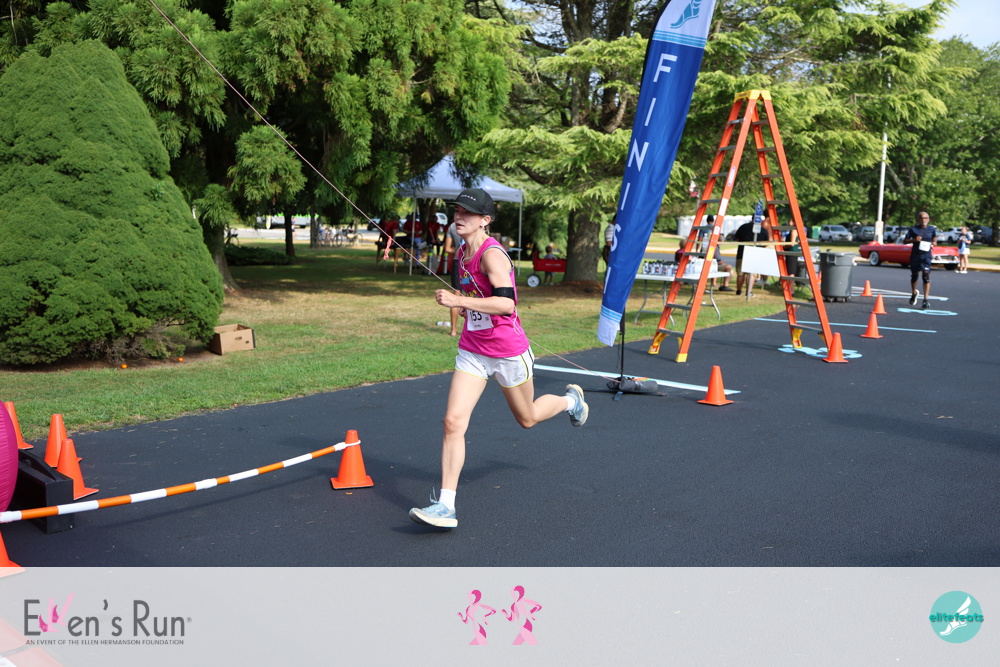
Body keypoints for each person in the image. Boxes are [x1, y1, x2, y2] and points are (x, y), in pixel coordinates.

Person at [408, 188, 590, 529]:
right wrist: (468, 308)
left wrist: (459, 302)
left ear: (485, 220)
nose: (459, 216)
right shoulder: (462, 251)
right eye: (457, 210)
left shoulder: (492, 255)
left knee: (528, 418)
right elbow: (480, 298)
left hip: (507, 352)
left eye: (467, 213)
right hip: (473, 351)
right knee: (452, 422)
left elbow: (506, 304)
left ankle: (571, 401)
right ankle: (446, 506)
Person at [903, 211, 937, 309]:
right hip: (915, 255)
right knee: (915, 276)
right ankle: (914, 293)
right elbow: (905, 241)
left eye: (925, 218)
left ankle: (925, 300)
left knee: (926, 276)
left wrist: (934, 242)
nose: (923, 220)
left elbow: (934, 238)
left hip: (926, 256)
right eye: (921, 218)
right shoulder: (913, 229)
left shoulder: (932, 229)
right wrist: (914, 240)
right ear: (918, 219)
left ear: (928, 219)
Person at [733, 218, 768, 296]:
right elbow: (765, 243)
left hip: (742, 252)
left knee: (740, 274)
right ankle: (749, 292)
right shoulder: (763, 230)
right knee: (751, 274)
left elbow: (737, 238)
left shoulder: (743, 227)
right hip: (755, 254)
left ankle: (739, 291)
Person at [443, 217, 462, 336]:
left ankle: (453, 330)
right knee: (474, 295)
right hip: (473, 261)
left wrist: (458, 250)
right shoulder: (476, 223)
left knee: (456, 295)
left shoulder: (453, 226)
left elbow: (447, 248)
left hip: (457, 261)